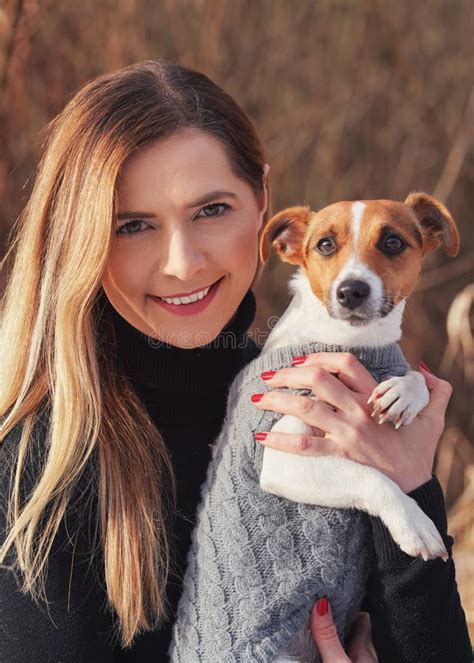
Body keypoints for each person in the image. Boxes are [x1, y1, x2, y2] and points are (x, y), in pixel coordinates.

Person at [0, 59, 471, 662]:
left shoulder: (333, 403)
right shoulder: (36, 462)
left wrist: (413, 484)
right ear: (82, 239)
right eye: (134, 225)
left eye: (212, 210)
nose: (183, 263)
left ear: (262, 204)